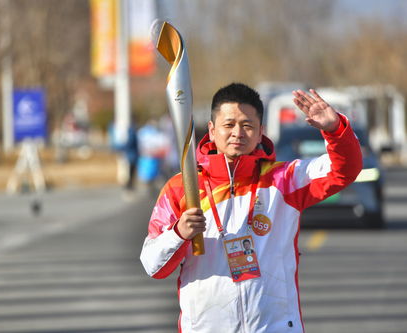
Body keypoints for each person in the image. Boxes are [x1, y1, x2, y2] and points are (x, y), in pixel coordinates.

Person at [140, 83, 362, 332]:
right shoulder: (183, 187)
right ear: (212, 130)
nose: (238, 133)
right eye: (228, 124)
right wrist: (178, 233)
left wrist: (335, 130)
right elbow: (152, 265)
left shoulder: (284, 179)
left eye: (247, 125)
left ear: (260, 133)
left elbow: (344, 170)